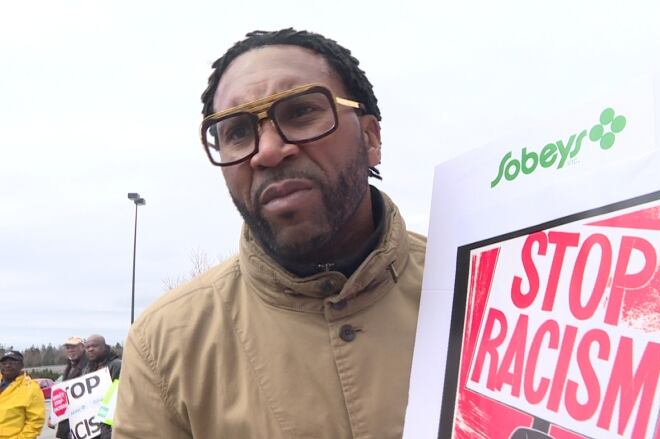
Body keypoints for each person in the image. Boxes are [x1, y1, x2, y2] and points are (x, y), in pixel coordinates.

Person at [114, 28, 426, 438]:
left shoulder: (481, 289)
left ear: (370, 137)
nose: (268, 150)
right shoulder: (164, 345)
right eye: (238, 131)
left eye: (300, 112)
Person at [83, 335, 121, 439]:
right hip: (93, 427)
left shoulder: (116, 365)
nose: (90, 349)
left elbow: (115, 396)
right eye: (87, 347)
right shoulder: (87, 369)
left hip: (111, 424)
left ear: (104, 347)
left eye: (94, 346)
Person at [0, 351, 44, 439]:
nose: (7, 365)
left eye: (12, 362)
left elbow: (35, 423)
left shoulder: (31, 388)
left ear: (21, 365)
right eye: (4, 363)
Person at [54, 336, 89, 439]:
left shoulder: (90, 364)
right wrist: (54, 415)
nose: (70, 350)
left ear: (82, 347)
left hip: (84, 421)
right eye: (68, 347)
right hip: (67, 422)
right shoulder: (69, 366)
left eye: (73, 347)